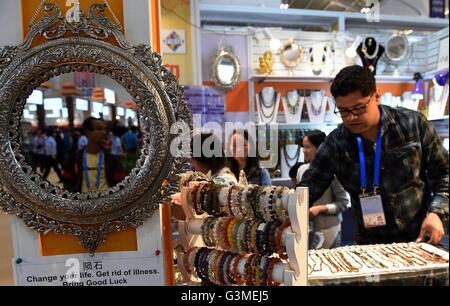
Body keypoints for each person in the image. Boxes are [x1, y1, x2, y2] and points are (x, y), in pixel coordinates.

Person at [299, 65, 448, 245]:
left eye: (358, 108)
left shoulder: (412, 124)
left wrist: (437, 213)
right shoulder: (336, 143)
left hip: (421, 237)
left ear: (377, 96)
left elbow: (444, 173)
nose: (351, 118)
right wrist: (285, 213)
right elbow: (309, 186)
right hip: (370, 246)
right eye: (343, 111)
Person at [297, 130, 350, 249]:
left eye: (307, 147)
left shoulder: (334, 171)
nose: (304, 151)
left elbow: (343, 204)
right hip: (307, 231)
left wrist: (321, 208)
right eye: (303, 147)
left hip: (329, 231)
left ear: (320, 148)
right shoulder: (301, 170)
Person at [62, 117, 126, 193]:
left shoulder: (112, 160)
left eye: (105, 129)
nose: (104, 132)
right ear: (87, 132)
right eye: (99, 129)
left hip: (106, 202)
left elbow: (121, 184)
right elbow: (68, 185)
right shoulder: (73, 159)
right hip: (83, 203)